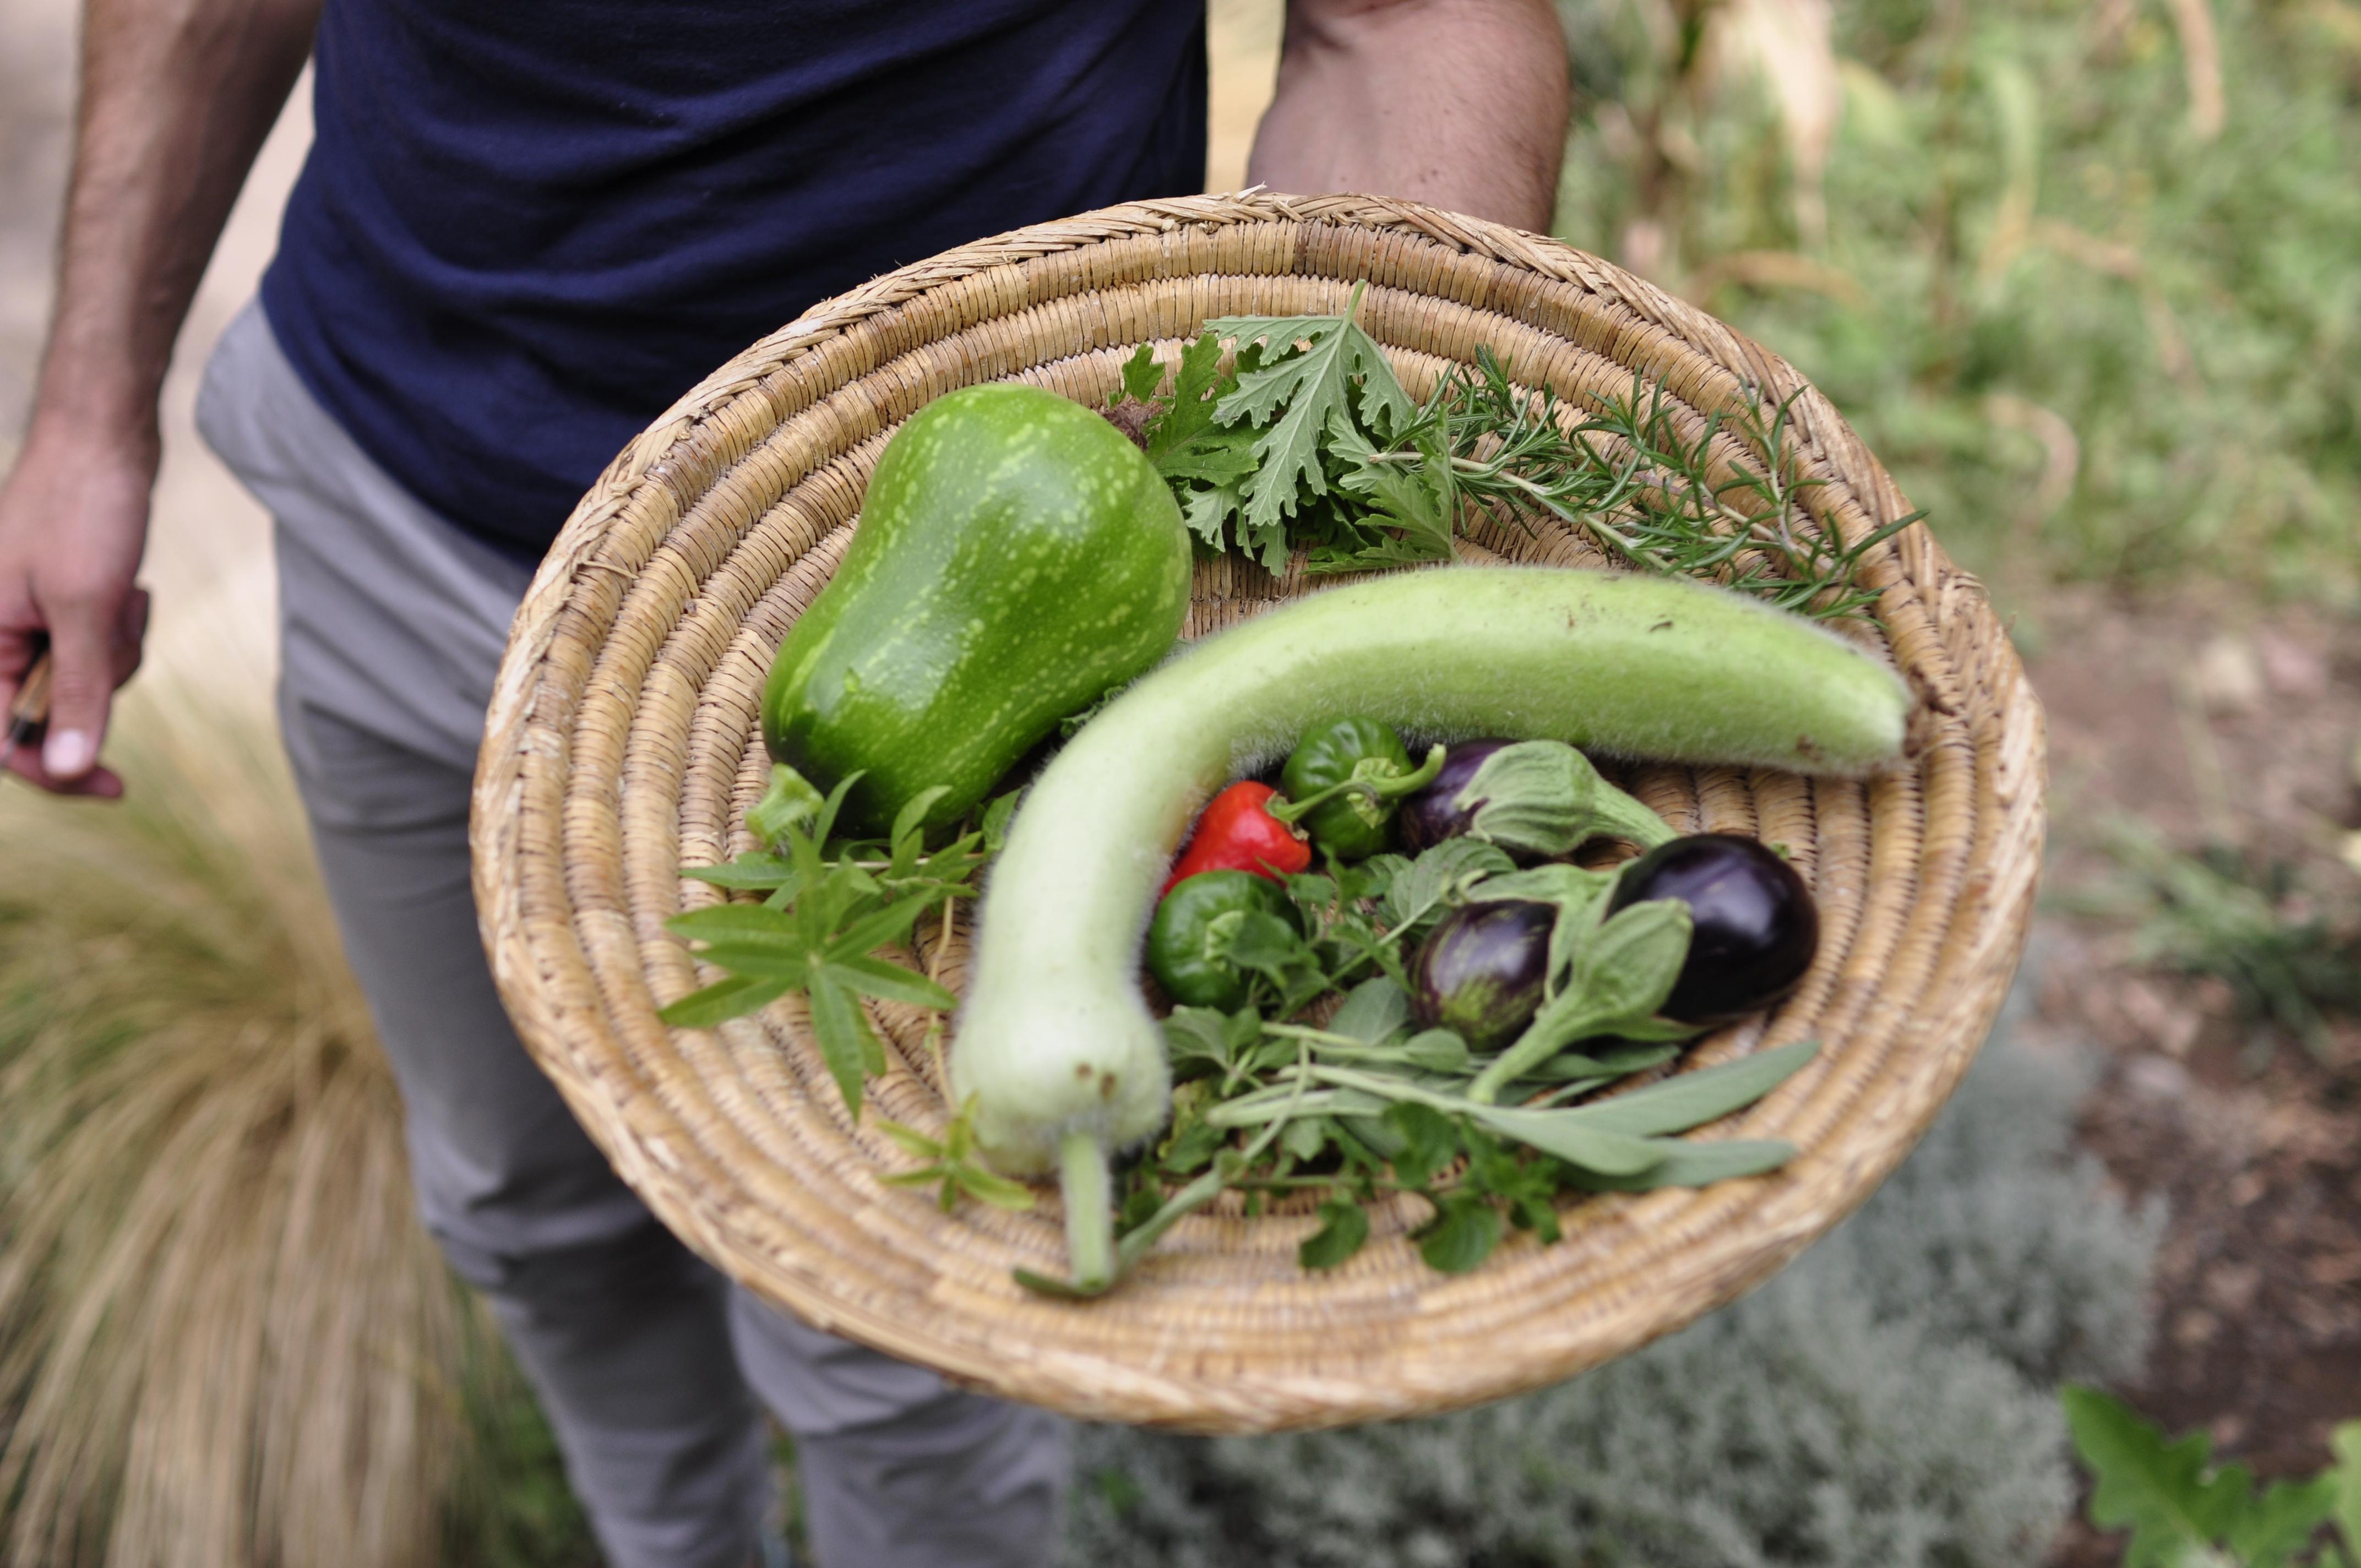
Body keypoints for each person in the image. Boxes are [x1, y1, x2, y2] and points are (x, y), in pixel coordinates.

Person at [0, 2, 1568, 1562]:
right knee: (521, 1215)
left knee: (904, 1351)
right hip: (401, 496)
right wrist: (84, 412)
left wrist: (1333, 589)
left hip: (983, 601)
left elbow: (1405, 21)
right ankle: (671, 1543)